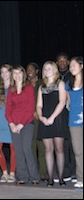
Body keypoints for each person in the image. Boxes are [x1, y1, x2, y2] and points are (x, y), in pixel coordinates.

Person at [5, 64, 40, 185]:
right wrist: (11, 124)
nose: (17, 76)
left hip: (27, 123)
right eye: (15, 73)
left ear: (23, 74)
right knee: (18, 150)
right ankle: (22, 176)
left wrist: (20, 124)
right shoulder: (11, 89)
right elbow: (8, 108)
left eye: (19, 73)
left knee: (27, 149)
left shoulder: (29, 88)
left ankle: (34, 176)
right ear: (12, 76)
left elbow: (30, 108)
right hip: (14, 124)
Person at [36, 61, 68, 187]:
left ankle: (60, 178)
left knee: (59, 149)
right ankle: (50, 178)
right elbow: (39, 105)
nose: (47, 70)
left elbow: (62, 102)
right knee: (48, 149)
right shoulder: (41, 86)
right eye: (45, 68)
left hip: (57, 119)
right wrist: (41, 117)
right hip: (45, 119)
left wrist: (52, 118)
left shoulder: (60, 83)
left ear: (54, 69)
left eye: (49, 68)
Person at [56, 52, 77, 183]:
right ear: (57, 63)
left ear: (68, 62)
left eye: (65, 60)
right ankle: (65, 172)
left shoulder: (73, 76)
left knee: (73, 144)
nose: (62, 62)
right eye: (60, 60)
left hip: (72, 113)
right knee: (62, 145)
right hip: (59, 114)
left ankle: (75, 172)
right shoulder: (54, 76)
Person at [0, 64, 16, 183]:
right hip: (1, 121)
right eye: (2, 72)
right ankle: (4, 173)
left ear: (11, 73)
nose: (4, 74)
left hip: (12, 121)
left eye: (6, 72)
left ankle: (12, 173)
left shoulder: (16, 86)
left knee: (14, 148)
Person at [26, 62, 48, 181]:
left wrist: (39, 114)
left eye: (31, 69)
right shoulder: (25, 84)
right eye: (27, 69)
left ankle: (43, 172)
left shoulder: (42, 83)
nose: (29, 71)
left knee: (42, 146)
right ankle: (33, 173)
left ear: (37, 71)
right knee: (31, 146)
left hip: (41, 117)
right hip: (29, 119)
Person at [65, 56, 83, 188]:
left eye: (74, 65)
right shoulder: (68, 84)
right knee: (78, 150)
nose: (71, 68)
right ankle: (81, 177)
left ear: (81, 66)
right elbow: (69, 104)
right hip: (74, 121)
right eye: (70, 66)